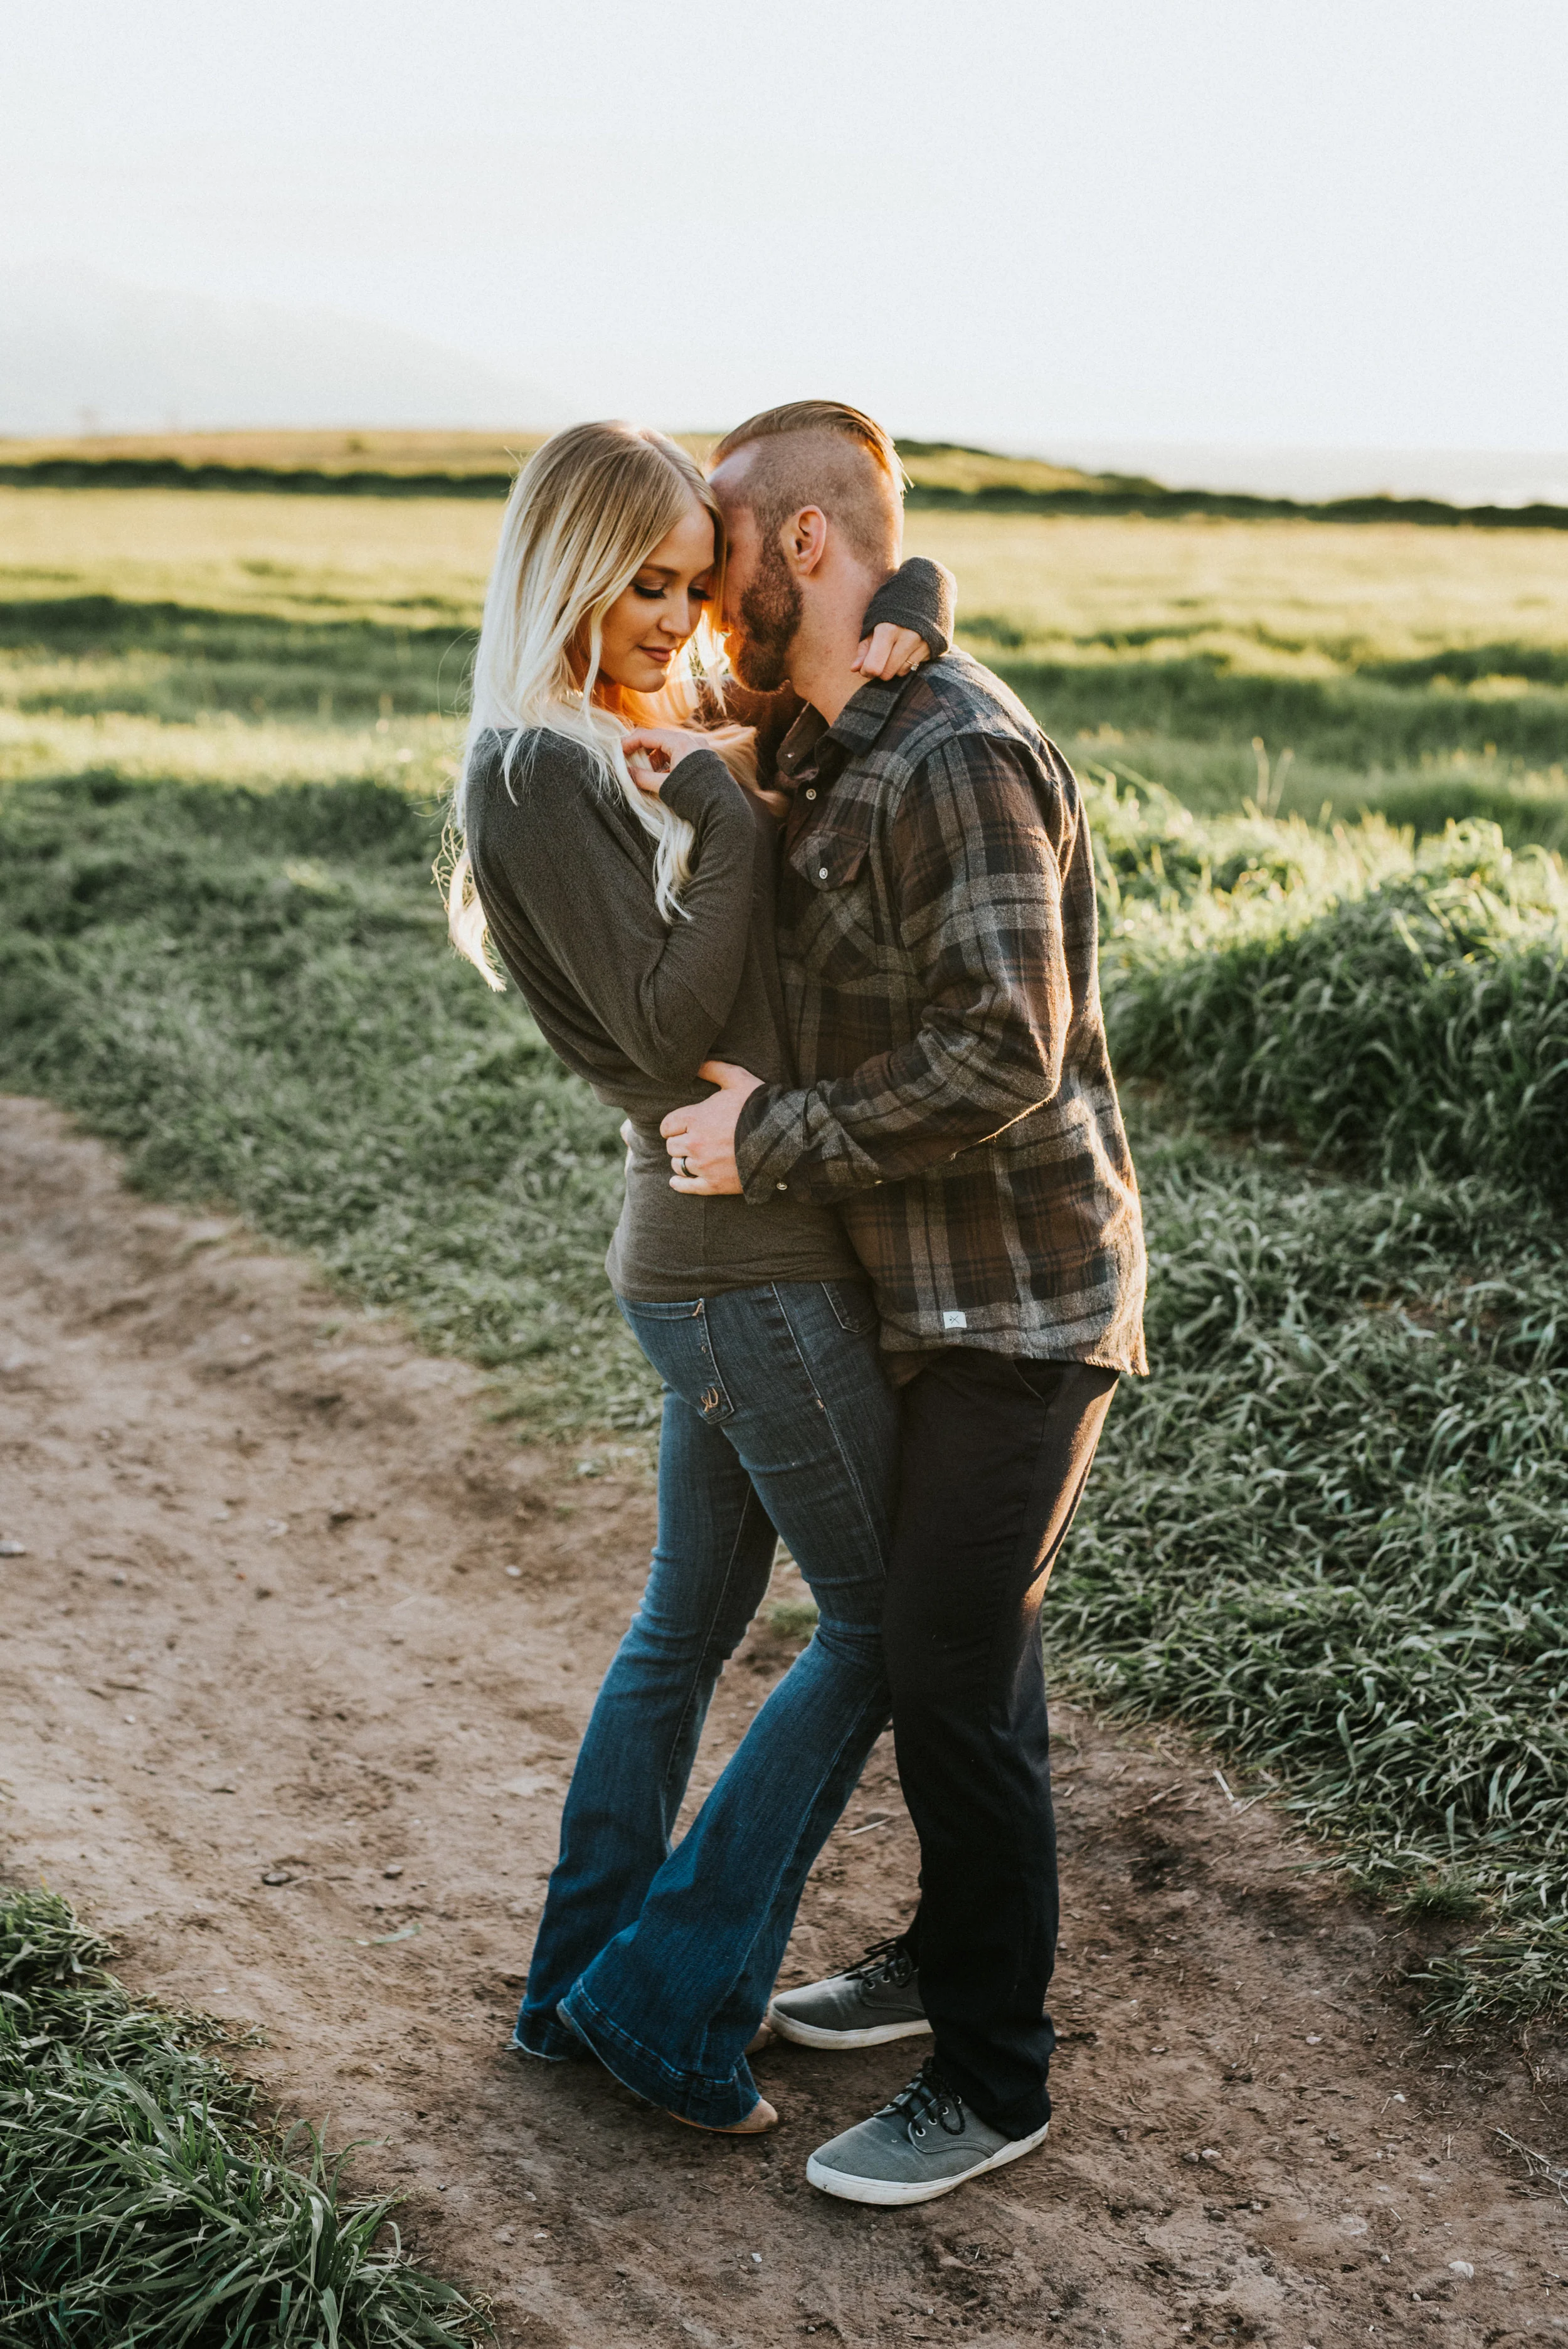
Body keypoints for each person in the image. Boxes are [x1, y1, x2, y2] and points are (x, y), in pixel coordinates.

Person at [655, 400, 1148, 2205]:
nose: (700, 580)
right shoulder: (841, 719)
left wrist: (769, 1137)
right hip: (915, 1297)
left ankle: (994, 2076)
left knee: (941, 1673)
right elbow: (670, 712)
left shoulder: (954, 752)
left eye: (719, 538)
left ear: (799, 544)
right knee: (967, 1660)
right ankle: (947, 1955)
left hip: (1019, 1303)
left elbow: (1004, 1055)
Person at [443, 418, 955, 2134]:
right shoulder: (532, 774)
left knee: (684, 1631)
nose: (677, 619)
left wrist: (918, 597)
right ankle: (661, 2006)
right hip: (737, 1273)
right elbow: (672, 1037)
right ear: (568, 574)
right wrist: (727, 823)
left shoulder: (626, 735)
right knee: (886, 1623)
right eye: (647, 586)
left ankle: (566, 1997)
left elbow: (806, 708)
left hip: (732, 1257)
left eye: (690, 584)